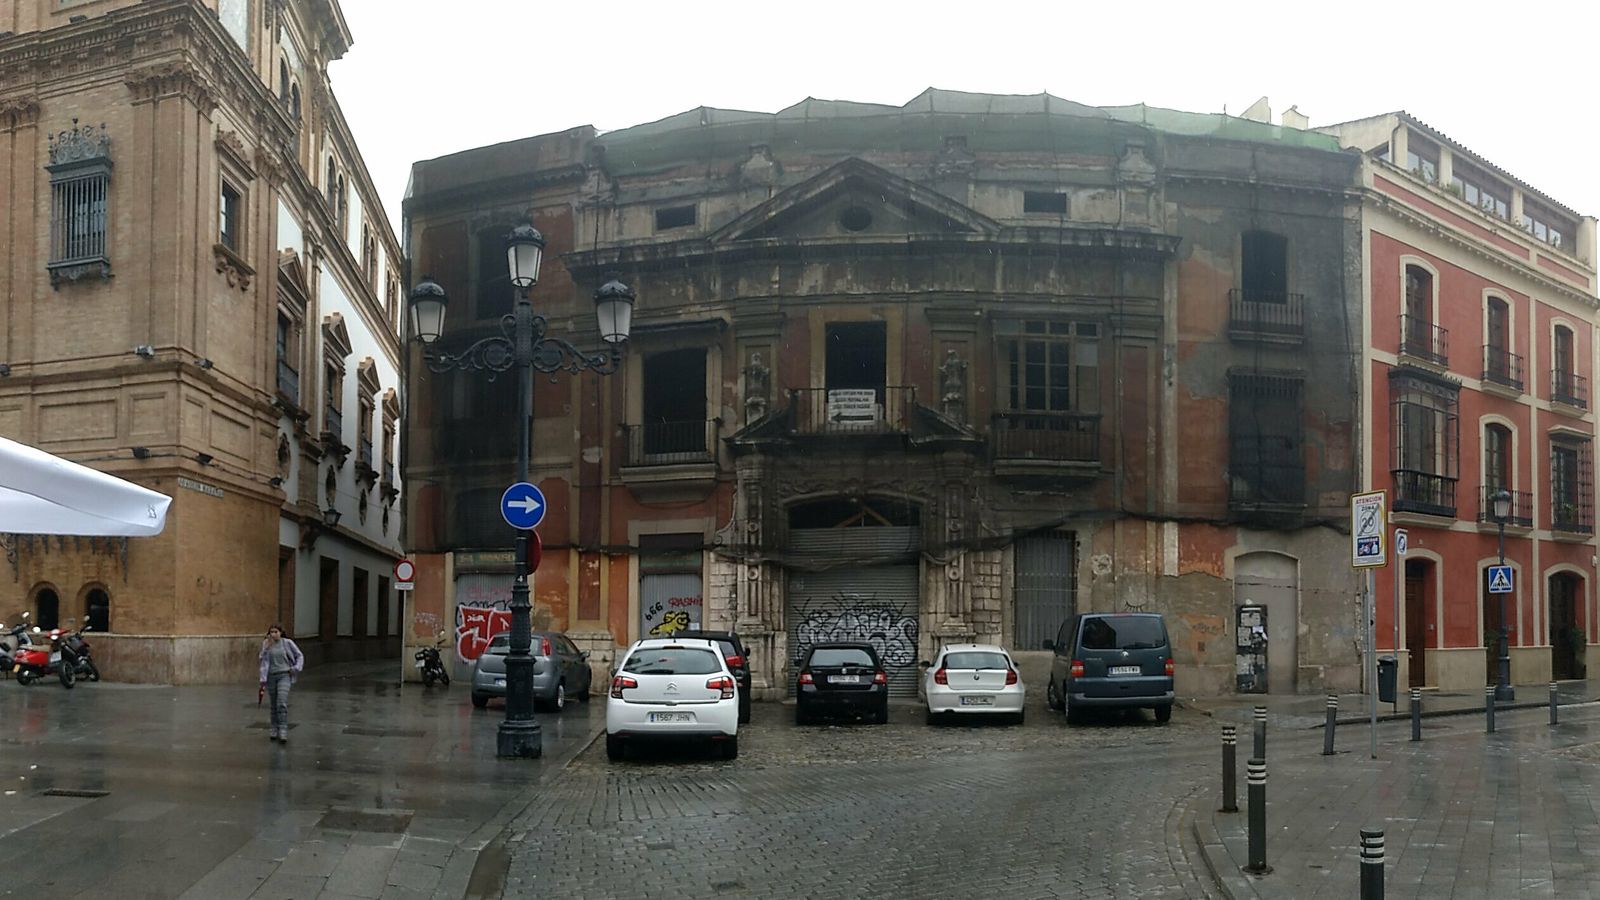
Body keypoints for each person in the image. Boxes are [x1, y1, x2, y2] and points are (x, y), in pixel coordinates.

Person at [258, 624, 304, 743]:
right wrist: (266, 648)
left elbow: (299, 655)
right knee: (273, 704)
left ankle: (283, 729)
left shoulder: (287, 643)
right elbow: (261, 658)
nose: (273, 634)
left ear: (281, 632)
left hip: (284, 675)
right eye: (271, 632)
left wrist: (295, 668)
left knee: (281, 702)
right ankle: (274, 728)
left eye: (276, 632)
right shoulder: (266, 643)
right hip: (271, 676)